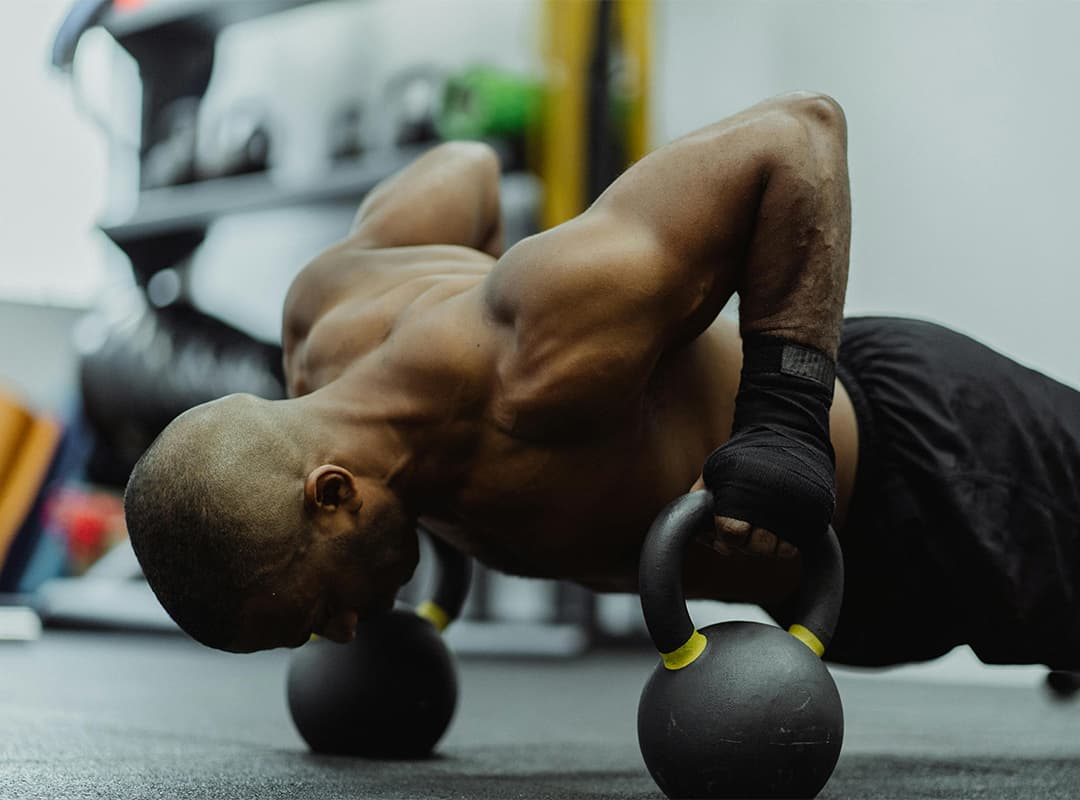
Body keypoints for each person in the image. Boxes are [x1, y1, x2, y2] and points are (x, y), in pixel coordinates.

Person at [124, 92, 1080, 670]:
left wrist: (783, 420)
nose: (340, 634)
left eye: (312, 611)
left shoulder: (536, 352)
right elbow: (465, 168)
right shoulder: (320, 320)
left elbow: (800, 136)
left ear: (332, 494)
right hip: (832, 603)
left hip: (937, 463)